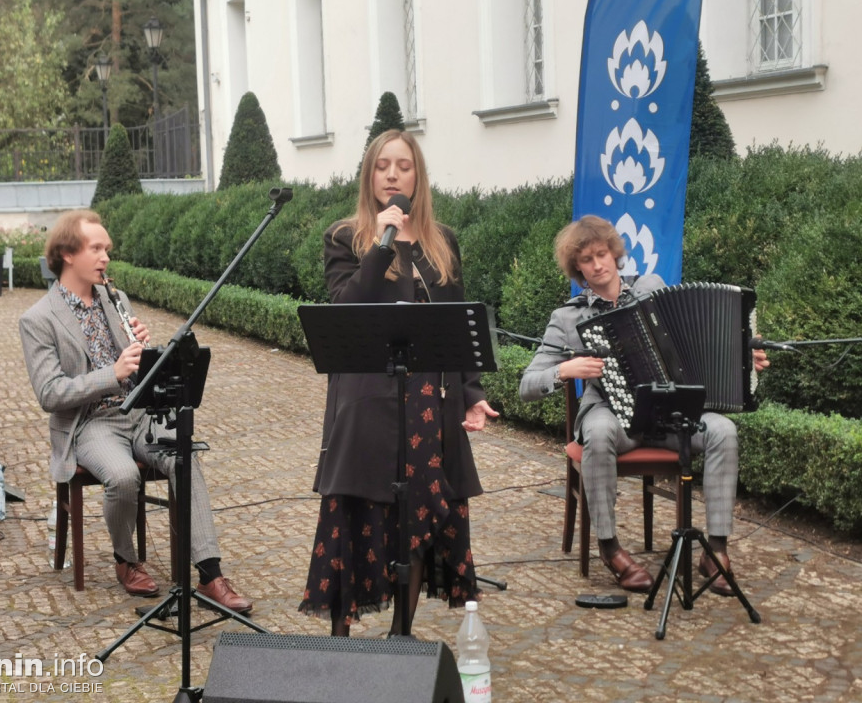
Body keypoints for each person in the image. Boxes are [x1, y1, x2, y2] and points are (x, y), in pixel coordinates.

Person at [299, 130, 499, 636]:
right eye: (382, 165)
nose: (392, 174)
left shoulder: (441, 242)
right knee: (356, 508)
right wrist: (381, 247)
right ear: (369, 176)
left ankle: (401, 635)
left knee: (420, 509)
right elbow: (347, 308)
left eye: (403, 166)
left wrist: (472, 395)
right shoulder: (345, 236)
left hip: (429, 402)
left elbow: (456, 325)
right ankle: (340, 638)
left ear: (418, 176)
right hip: (366, 400)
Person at [519, 214, 769, 594]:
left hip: (669, 416)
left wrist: (746, 356)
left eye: (602, 254)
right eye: (586, 259)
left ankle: (715, 549)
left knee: (723, 430)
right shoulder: (567, 318)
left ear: (614, 253)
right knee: (598, 431)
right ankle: (610, 548)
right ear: (577, 268)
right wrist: (566, 370)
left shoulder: (651, 289)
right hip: (613, 417)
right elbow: (527, 385)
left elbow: (698, 339)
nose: (597, 264)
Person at [19, 209, 253, 612]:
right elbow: (50, 393)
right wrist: (111, 373)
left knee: (185, 454)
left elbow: (138, 367)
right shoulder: (38, 319)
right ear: (67, 254)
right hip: (90, 423)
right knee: (124, 476)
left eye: (106, 248)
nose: (105, 257)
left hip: (139, 413)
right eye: (96, 248)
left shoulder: (115, 298)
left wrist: (146, 352)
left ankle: (210, 574)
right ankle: (126, 560)